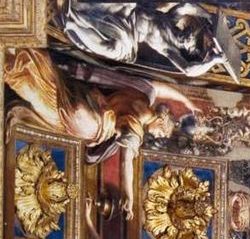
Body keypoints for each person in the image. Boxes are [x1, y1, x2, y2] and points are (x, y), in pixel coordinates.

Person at [4, 48, 197, 218]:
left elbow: (160, 87)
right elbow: (125, 162)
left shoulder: (145, 93)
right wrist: (128, 193)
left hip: (87, 99)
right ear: (161, 119)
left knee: (43, 83)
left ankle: (16, 63)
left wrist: (185, 100)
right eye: (162, 133)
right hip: (84, 120)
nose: (157, 136)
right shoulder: (137, 124)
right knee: (36, 95)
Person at [56, 0, 239, 80]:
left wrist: (213, 61)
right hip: (130, 12)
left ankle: (74, 19)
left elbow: (189, 71)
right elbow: (185, 5)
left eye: (192, 42)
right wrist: (206, 15)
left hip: (129, 34)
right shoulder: (171, 21)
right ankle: (81, 3)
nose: (189, 37)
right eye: (192, 35)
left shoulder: (170, 49)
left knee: (116, 44)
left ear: (188, 50)